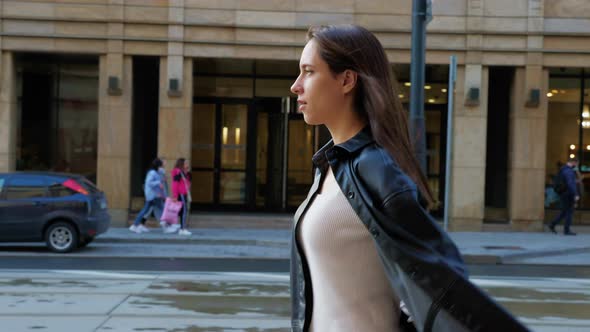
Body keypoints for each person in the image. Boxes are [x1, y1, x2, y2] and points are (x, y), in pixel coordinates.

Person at [289, 24, 529, 332]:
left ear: (346, 80)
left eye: (308, 71)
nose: (296, 85)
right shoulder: (331, 166)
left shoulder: (375, 167)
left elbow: (438, 274)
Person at [130, 158, 167, 233]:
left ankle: (135, 225)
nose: (164, 164)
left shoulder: (155, 172)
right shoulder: (152, 172)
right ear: (158, 165)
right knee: (163, 209)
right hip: (153, 195)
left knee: (146, 210)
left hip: (154, 195)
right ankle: (167, 225)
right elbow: (149, 182)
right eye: (162, 163)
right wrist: (158, 183)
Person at [548, 157, 579, 235]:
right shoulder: (568, 171)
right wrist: (575, 194)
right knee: (569, 212)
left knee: (565, 211)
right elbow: (570, 183)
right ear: (573, 162)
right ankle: (566, 230)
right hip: (568, 194)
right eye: (576, 163)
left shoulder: (563, 169)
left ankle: (552, 224)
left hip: (564, 193)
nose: (576, 165)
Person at [171, 158, 192, 236]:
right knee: (183, 211)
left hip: (184, 194)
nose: (187, 164)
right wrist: (175, 196)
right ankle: (182, 229)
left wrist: (187, 173)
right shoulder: (177, 172)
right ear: (181, 164)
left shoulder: (185, 173)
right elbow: (175, 184)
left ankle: (181, 227)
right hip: (181, 194)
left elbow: (187, 184)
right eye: (185, 163)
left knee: (182, 211)